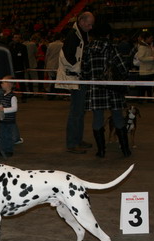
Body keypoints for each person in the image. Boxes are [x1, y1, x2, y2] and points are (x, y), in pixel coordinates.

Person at [81, 21, 130, 158]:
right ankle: (125, 150)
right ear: (108, 34)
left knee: (97, 119)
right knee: (118, 118)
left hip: (95, 90)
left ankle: (101, 151)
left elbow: (84, 71)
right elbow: (123, 68)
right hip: (113, 89)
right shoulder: (112, 47)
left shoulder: (88, 48)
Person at [55, 11, 95, 154]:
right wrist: (79, 69)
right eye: (89, 24)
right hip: (76, 78)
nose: (91, 27)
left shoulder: (81, 34)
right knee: (76, 112)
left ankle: (78, 140)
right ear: (82, 21)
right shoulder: (73, 35)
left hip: (80, 78)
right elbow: (66, 57)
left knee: (79, 111)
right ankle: (72, 143)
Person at [0, 75, 18, 157]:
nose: (1, 84)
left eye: (3, 82)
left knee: (8, 136)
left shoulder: (13, 97)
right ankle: (3, 149)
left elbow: (15, 108)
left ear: (9, 84)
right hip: (2, 120)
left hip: (9, 121)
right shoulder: (2, 96)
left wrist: (3, 110)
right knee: (2, 135)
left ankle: (9, 150)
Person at [136, 31, 154, 102]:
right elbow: (140, 58)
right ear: (147, 38)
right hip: (145, 70)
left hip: (151, 69)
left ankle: (149, 99)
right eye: (151, 38)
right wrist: (152, 58)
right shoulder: (142, 47)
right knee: (143, 87)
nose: (152, 39)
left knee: (149, 86)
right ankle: (141, 100)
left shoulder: (150, 46)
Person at [45, 32, 64, 98]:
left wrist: (46, 64)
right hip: (58, 64)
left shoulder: (50, 45)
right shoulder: (62, 44)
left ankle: (50, 94)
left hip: (50, 64)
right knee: (59, 80)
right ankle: (59, 95)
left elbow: (47, 55)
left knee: (51, 80)